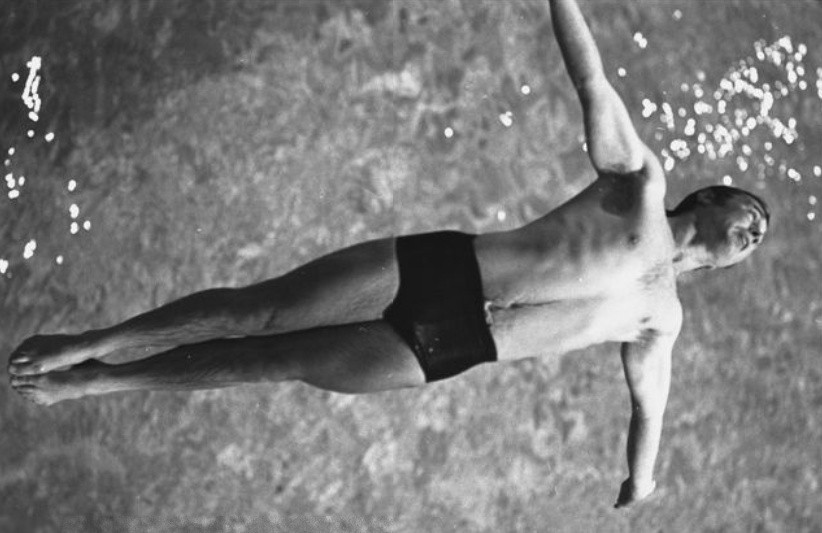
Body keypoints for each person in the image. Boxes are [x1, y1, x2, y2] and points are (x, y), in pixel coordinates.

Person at [8, 0, 768, 509]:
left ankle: (103, 381)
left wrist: (642, 478)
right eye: (752, 215)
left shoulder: (662, 319)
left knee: (271, 360)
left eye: (759, 239)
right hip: (445, 270)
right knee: (259, 311)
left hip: (452, 348)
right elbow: (591, 79)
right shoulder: (640, 186)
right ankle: (92, 340)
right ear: (709, 198)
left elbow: (649, 407)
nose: (755, 233)